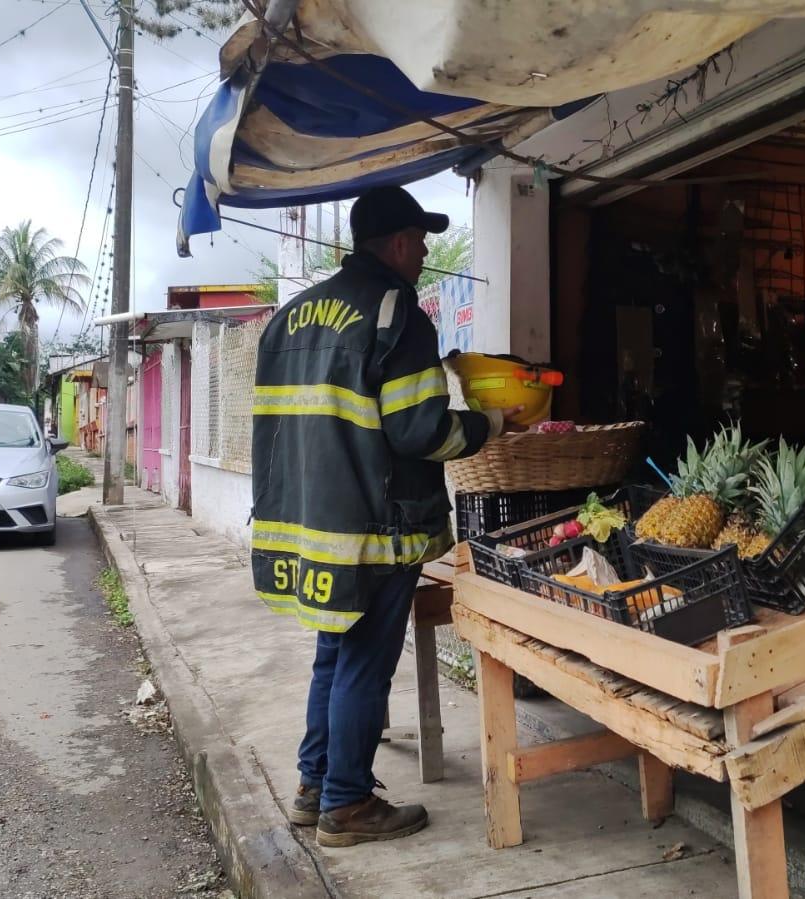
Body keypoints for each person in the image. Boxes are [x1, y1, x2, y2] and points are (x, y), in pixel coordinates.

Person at [250, 185, 512, 847]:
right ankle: (347, 803)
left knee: (332, 656)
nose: (425, 252)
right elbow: (420, 431)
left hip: (305, 523)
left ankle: (315, 786)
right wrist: (490, 425)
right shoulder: (398, 313)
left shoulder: (292, 315)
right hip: (373, 527)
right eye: (420, 240)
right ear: (396, 242)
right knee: (363, 663)